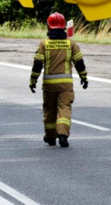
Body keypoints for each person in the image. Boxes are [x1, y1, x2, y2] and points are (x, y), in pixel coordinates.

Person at [29, 12, 88, 148]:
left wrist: (33, 80)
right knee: (64, 109)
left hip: (49, 85)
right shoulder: (71, 43)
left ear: (49, 27)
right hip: (65, 85)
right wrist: (84, 77)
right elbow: (79, 63)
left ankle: (50, 137)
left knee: (50, 111)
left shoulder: (44, 44)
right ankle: (62, 135)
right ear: (64, 28)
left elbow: (38, 64)